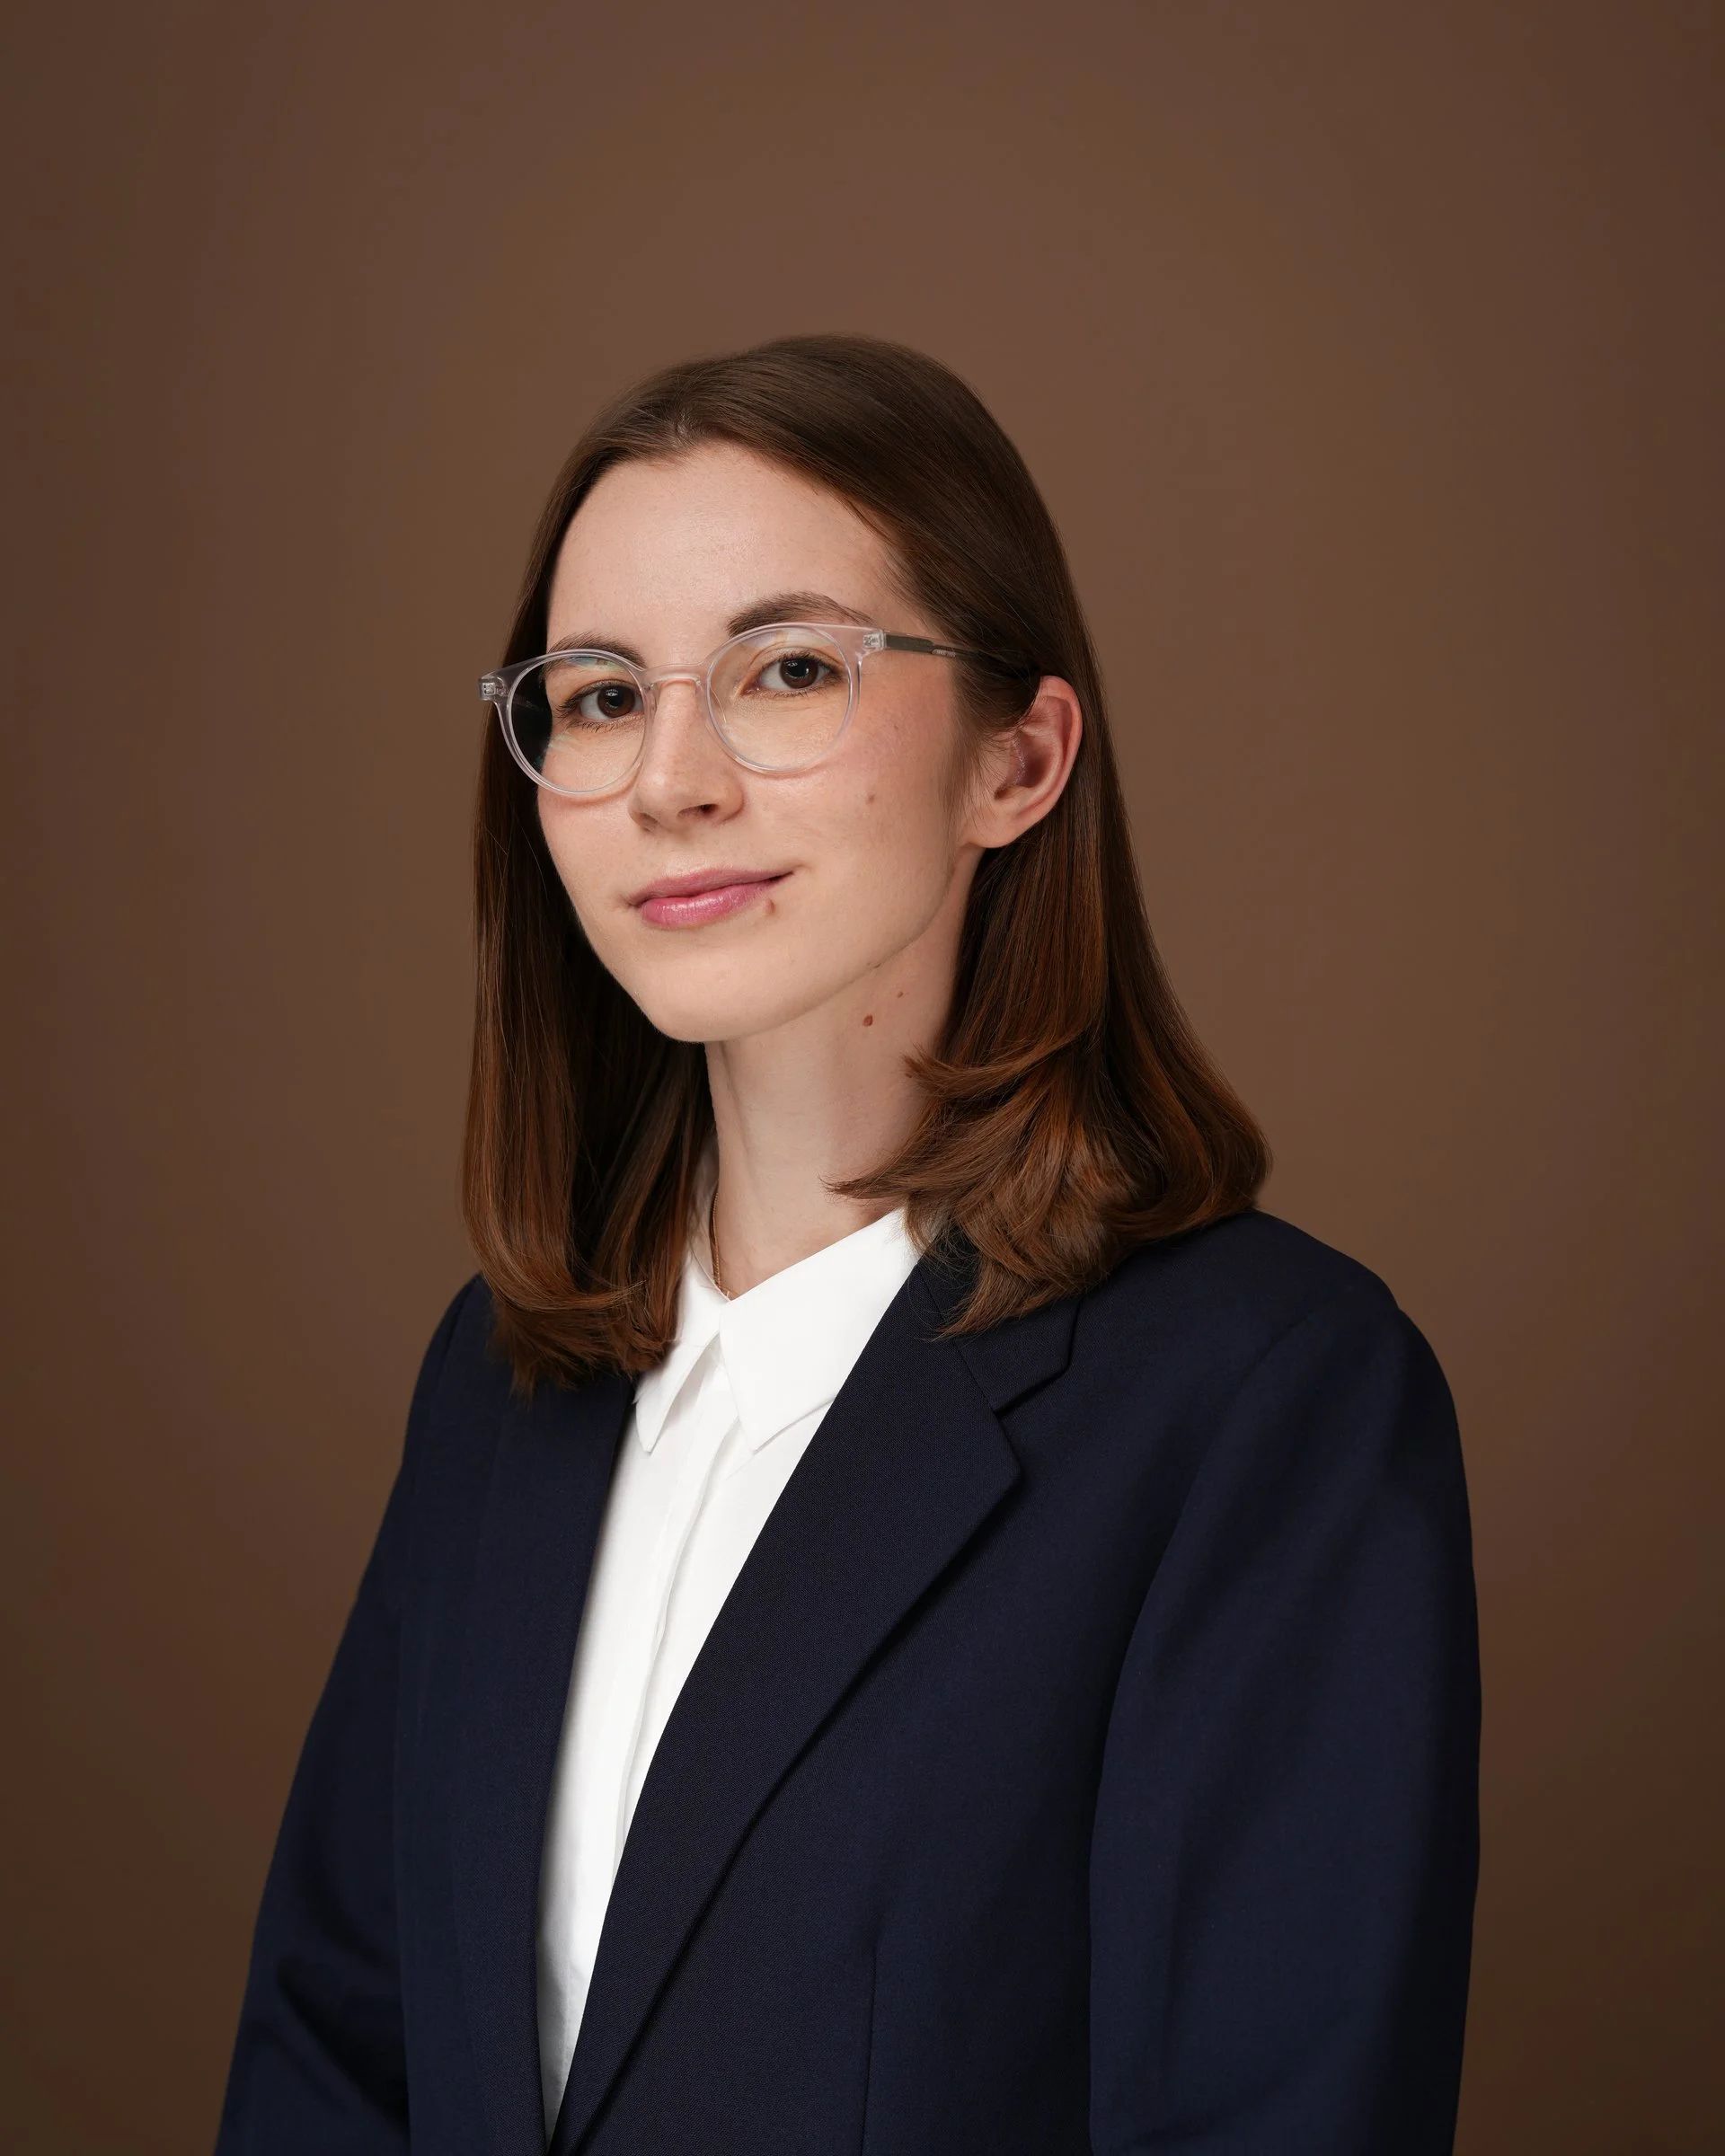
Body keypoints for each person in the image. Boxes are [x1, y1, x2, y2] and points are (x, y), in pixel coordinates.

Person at [213, 331, 1481, 2156]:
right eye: (592, 697)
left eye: (786, 670)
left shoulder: (1267, 1400)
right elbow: (334, 2050)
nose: (672, 780)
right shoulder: (498, 1383)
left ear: (1017, 760)